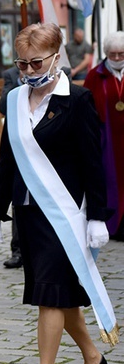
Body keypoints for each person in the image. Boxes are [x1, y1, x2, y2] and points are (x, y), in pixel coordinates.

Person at [0, 23, 111, 364]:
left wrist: (98, 217)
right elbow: (7, 159)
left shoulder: (78, 99)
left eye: (36, 61)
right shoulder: (16, 99)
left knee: (50, 297)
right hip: (28, 212)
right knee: (56, 293)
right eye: (22, 63)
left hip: (65, 212)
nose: (28, 70)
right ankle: (93, 356)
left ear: (57, 56)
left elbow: (94, 162)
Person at [83, 31, 124, 240]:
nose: (116, 58)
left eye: (121, 54)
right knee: (109, 181)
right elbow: (87, 109)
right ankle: (112, 225)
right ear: (106, 53)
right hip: (106, 140)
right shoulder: (95, 75)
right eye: (112, 54)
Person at [0, 66, 24, 269]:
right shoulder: (11, 75)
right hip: (19, 145)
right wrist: (20, 84)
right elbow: (3, 106)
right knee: (19, 198)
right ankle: (18, 250)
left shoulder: (63, 71)